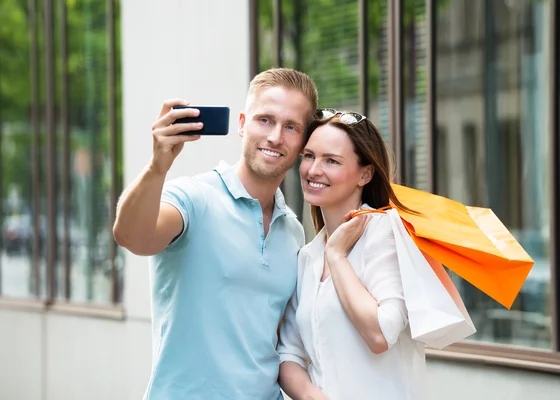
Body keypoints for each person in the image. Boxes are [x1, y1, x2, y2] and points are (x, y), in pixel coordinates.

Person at [112, 68, 318, 400]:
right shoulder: (194, 199)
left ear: (303, 141)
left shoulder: (293, 231)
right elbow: (132, 237)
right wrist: (157, 167)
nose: (276, 136)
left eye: (291, 126)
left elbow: (281, 344)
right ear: (241, 124)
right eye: (265, 120)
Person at [277, 109, 428, 400]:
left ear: (365, 174)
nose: (313, 170)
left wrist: (337, 256)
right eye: (309, 156)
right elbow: (289, 352)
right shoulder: (308, 256)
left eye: (331, 160)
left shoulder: (386, 233)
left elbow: (380, 334)